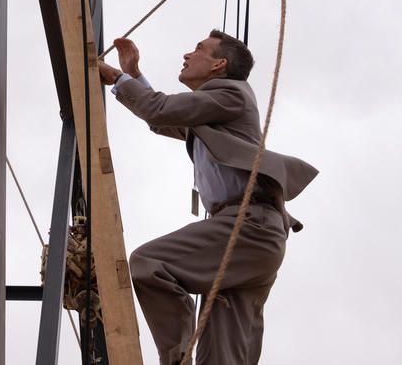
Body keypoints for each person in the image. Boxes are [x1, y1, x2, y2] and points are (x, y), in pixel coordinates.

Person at [98, 30, 317, 365]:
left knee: (150, 264)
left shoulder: (231, 93)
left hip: (248, 227)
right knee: (221, 356)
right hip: (255, 236)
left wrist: (118, 78)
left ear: (219, 64)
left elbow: (159, 109)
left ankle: (176, 357)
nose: (187, 55)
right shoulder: (212, 114)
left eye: (198, 49)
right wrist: (135, 77)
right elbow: (163, 120)